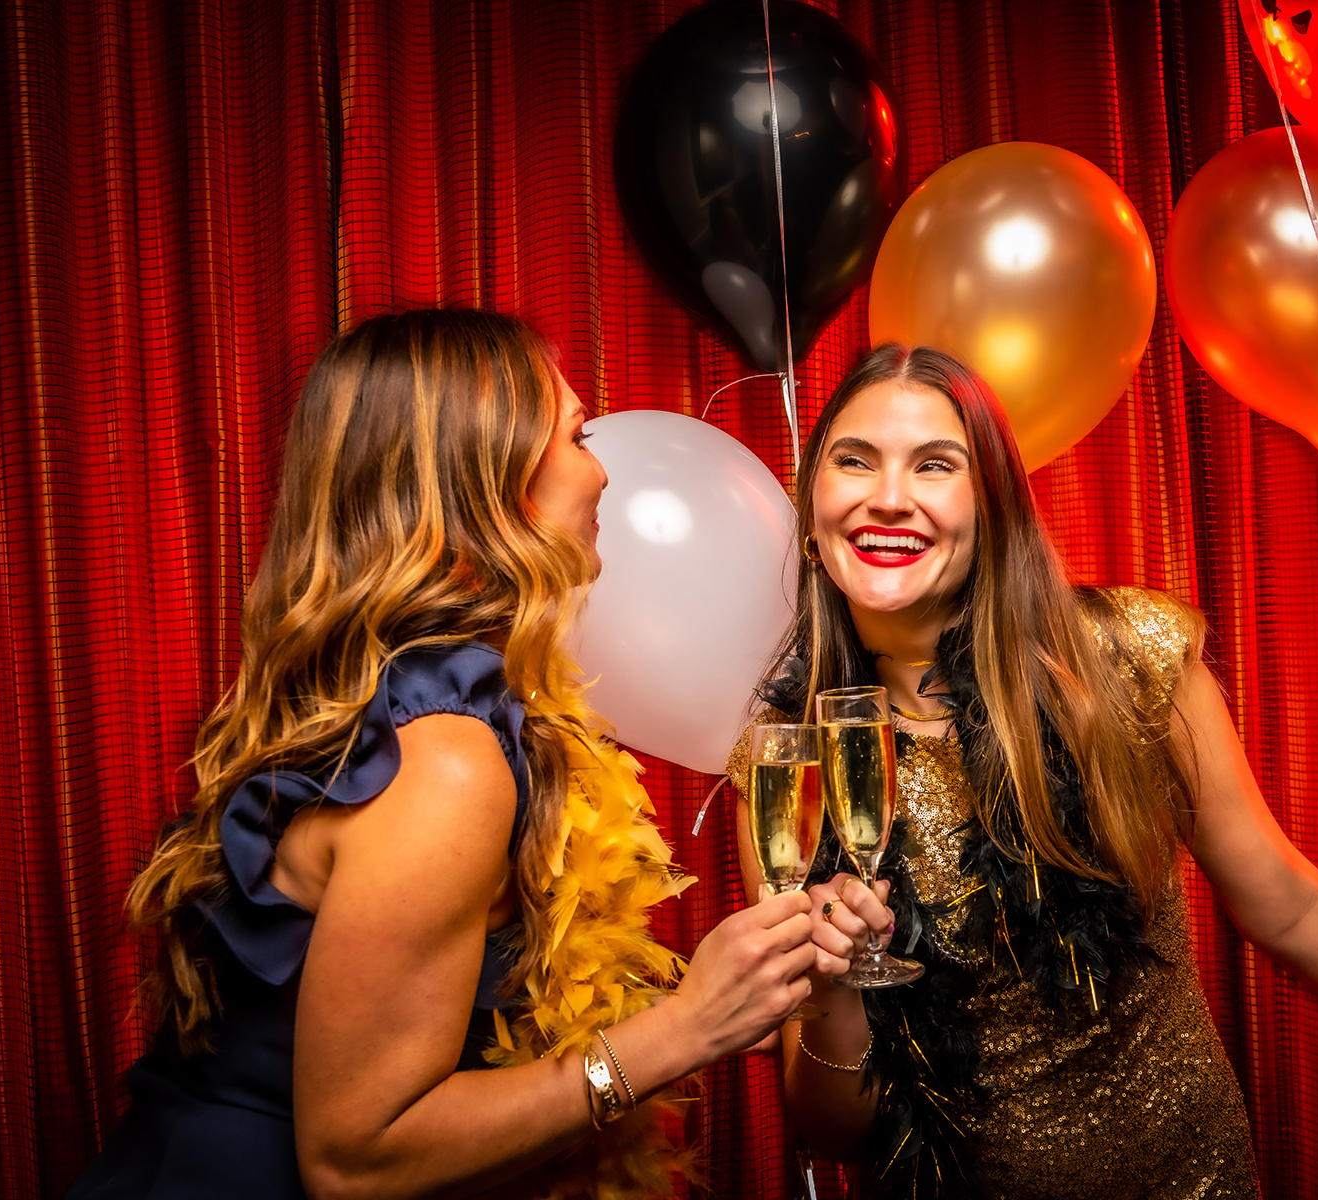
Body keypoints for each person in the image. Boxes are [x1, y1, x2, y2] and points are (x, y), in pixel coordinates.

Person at [68, 309, 850, 1200]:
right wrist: (682, 1032)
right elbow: (354, 1160)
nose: (604, 472)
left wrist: (713, 1004)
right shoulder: (444, 759)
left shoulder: (419, 699)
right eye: (578, 437)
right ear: (490, 483)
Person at [727, 344, 1318, 1199]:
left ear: (992, 507)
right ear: (812, 510)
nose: (889, 497)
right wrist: (834, 988)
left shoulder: (1120, 662)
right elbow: (834, 1134)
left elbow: (1280, 898)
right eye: (855, 461)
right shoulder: (785, 765)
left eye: (935, 464)